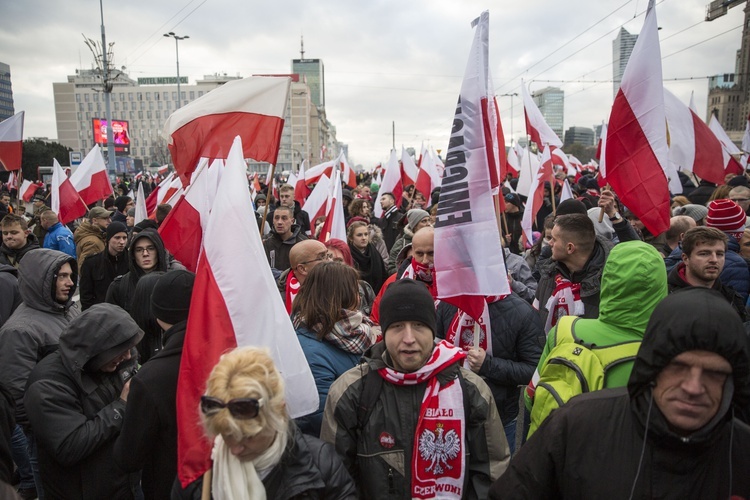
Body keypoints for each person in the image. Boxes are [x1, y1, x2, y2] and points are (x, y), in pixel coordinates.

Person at [489, 288, 750, 499]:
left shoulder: (742, 452)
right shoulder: (577, 426)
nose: (693, 387)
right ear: (652, 366)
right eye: (678, 367)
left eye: (714, 374)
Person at [321, 279, 509, 499]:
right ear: (383, 331)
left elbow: (492, 475)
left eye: (419, 325)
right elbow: (336, 482)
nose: (408, 338)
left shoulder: (470, 390)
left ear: (432, 330)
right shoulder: (351, 392)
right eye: (397, 327)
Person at [173, 346, 357, 499]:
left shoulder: (321, 466)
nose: (235, 449)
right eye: (227, 436)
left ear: (279, 413)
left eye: (249, 437)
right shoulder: (198, 473)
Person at [525, 241, 668, 433]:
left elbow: (530, 397)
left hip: (556, 451)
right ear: (660, 287)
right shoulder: (665, 356)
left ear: (607, 278)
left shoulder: (566, 329)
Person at [24, 304, 142, 500]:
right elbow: (69, 446)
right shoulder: (47, 385)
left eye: (130, 348)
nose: (128, 356)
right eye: (121, 351)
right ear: (97, 349)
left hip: (124, 483)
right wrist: (121, 407)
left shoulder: (116, 359)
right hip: (81, 490)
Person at [0, 249, 79, 499]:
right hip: (47, 436)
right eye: (62, 276)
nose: (70, 283)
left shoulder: (67, 310)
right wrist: (46, 426)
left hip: (75, 422)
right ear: (42, 280)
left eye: (70, 275)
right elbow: (16, 392)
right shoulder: (20, 330)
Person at [114, 270, 195, 500]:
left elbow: (128, 457)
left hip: (168, 486)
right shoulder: (229, 354)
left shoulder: (150, 378)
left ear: (158, 313)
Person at [436, 282, 543, 453]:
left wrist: (488, 365)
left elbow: (534, 370)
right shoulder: (449, 303)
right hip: (450, 410)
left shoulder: (523, 313)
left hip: (499, 417)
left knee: (498, 476)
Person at [292, 262, 379, 436]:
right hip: (335, 449)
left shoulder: (357, 330)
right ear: (341, 295)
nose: (359, 297)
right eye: (355, 290)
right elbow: (321, 416)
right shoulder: (310, 351)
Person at [534, 213, 609, 332]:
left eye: (554, 239)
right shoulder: (548, 274)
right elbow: (536, 321)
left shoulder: (608, 283)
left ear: (570, 248)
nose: (550, 243)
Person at [667, 226, 746, 319]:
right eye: (704, 254)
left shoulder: (731, 298)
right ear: (685, 258)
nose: (714, 260)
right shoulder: (666, 296)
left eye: (719, 254)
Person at [106, 228, 184, 311]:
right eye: (139, 250)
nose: (145, 254)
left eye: (151, 248)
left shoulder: (175, 283)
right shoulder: (119, 287)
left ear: (159, 251)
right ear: (133, 254)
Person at [705, 199, 750, 301]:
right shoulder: (736, 264)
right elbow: (737, 307)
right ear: (738, 228)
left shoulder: (685, 249)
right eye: (743, 223)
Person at [79, 221, 129, 310]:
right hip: (101, 314)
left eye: (124, 238)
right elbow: (86, 295)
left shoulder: (132, 261)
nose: (122, 242)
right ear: (108, 238)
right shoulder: (92, 263)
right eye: (117, 238)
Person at [277, 239, 330, 313]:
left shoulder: (333, 286)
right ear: (302, 269)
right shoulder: (279, 302)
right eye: (322, 257)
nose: (330, 261)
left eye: (328, 255)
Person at [263, 205, 308, 273]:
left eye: (284, 218)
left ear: (292, 221)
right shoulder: (264, 242)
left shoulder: (303, 243)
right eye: (276, 218)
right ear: (273, 221)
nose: (279, 222)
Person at [348, 220, 387, 294]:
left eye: (366, 234)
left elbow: (383, 275)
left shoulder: (374, 253)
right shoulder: (348, 254)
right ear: (351, 238)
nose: (364, 238)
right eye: (359, 235)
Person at [387, 208, 431, 274]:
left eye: (429, 220)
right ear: (414, 225)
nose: (428, 224)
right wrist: (406, 272)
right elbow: (391, 268)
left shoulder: (434, 241)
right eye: (424, 221)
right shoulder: (401, 243)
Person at [74, 206, 112, 270]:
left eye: (109, 218)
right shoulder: (92, 242)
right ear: (94, 220)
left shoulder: (98, 236)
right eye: (105, 218)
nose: (110, 221)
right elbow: (84, 268)